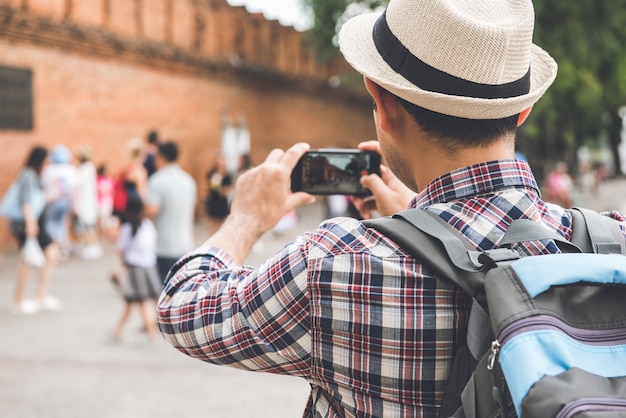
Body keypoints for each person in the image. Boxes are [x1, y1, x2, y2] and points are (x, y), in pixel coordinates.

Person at [157, 1, 626, 416]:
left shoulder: (334, 265)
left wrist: (245, 219)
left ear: (382, 105)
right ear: (521, 110)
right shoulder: (612, 244)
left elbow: (182, 310)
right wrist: (419, 228)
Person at [8, 146, 61, 314]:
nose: (49, 161)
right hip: (28, 224)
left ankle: (40, 295)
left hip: (34, 223)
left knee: (50, 254)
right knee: (28, 260)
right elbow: (25, 201)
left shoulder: (35, 174)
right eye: (47, 158)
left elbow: (35, 198)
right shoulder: (28, 174)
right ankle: (19, 300)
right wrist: (31, 223)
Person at [145, 141, 197, 284]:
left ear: (160, 157)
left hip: (163, 246)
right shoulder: (188, 181)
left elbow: (151, 210)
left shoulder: (157, 180)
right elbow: (192, 211)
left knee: (162, 295)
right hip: (185, 244)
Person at [112, 195, 160, 341]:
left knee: (138, 301)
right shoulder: (148, 225)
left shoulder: (127, 229)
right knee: (138, 300)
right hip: (150, 266)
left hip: (135, 268)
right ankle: (118, 331)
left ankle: (151, 333)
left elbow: (121, 249)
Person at [41, 144, 77, 259]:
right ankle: (62, 247)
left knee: (51, 224)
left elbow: (44, 186)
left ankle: (54, 247)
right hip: (65, 200)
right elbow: (74, 188)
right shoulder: (70, 169)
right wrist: (75, 204)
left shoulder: (48, 170)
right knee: (63, 223)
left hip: (52, 201)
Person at [72, 145, 103, 259]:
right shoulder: (87, 168)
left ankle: (93, 246)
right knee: (86, 226)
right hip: (86, 202)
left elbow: (77, 181)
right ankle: (90, 245)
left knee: (88, 226)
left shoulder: (86, 168)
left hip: (86, 202)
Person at [203, 154, 233, 236]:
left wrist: (225, 190)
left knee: (222, 224)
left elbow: (231, 185)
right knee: (213, 224)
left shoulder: (227, 174)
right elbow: (210, 186)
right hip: (214, 200)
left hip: (222, 202)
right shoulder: (213, 173)